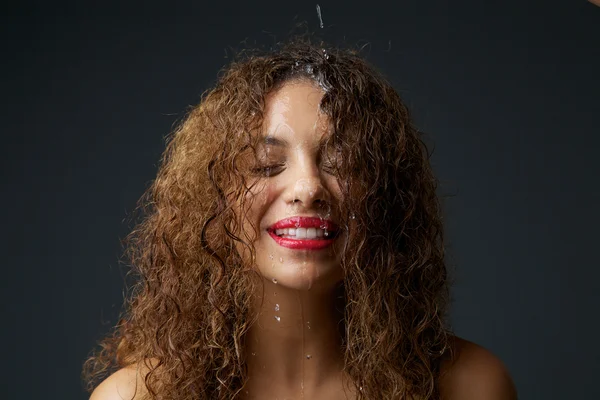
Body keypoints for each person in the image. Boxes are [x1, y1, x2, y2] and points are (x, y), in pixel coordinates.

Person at [84, 40, 517, 400]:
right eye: (266, 164)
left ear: (388, 198)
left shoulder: (469, 387)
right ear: (210, 200)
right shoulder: (136, 398)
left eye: (342, 162)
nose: (308, 187)